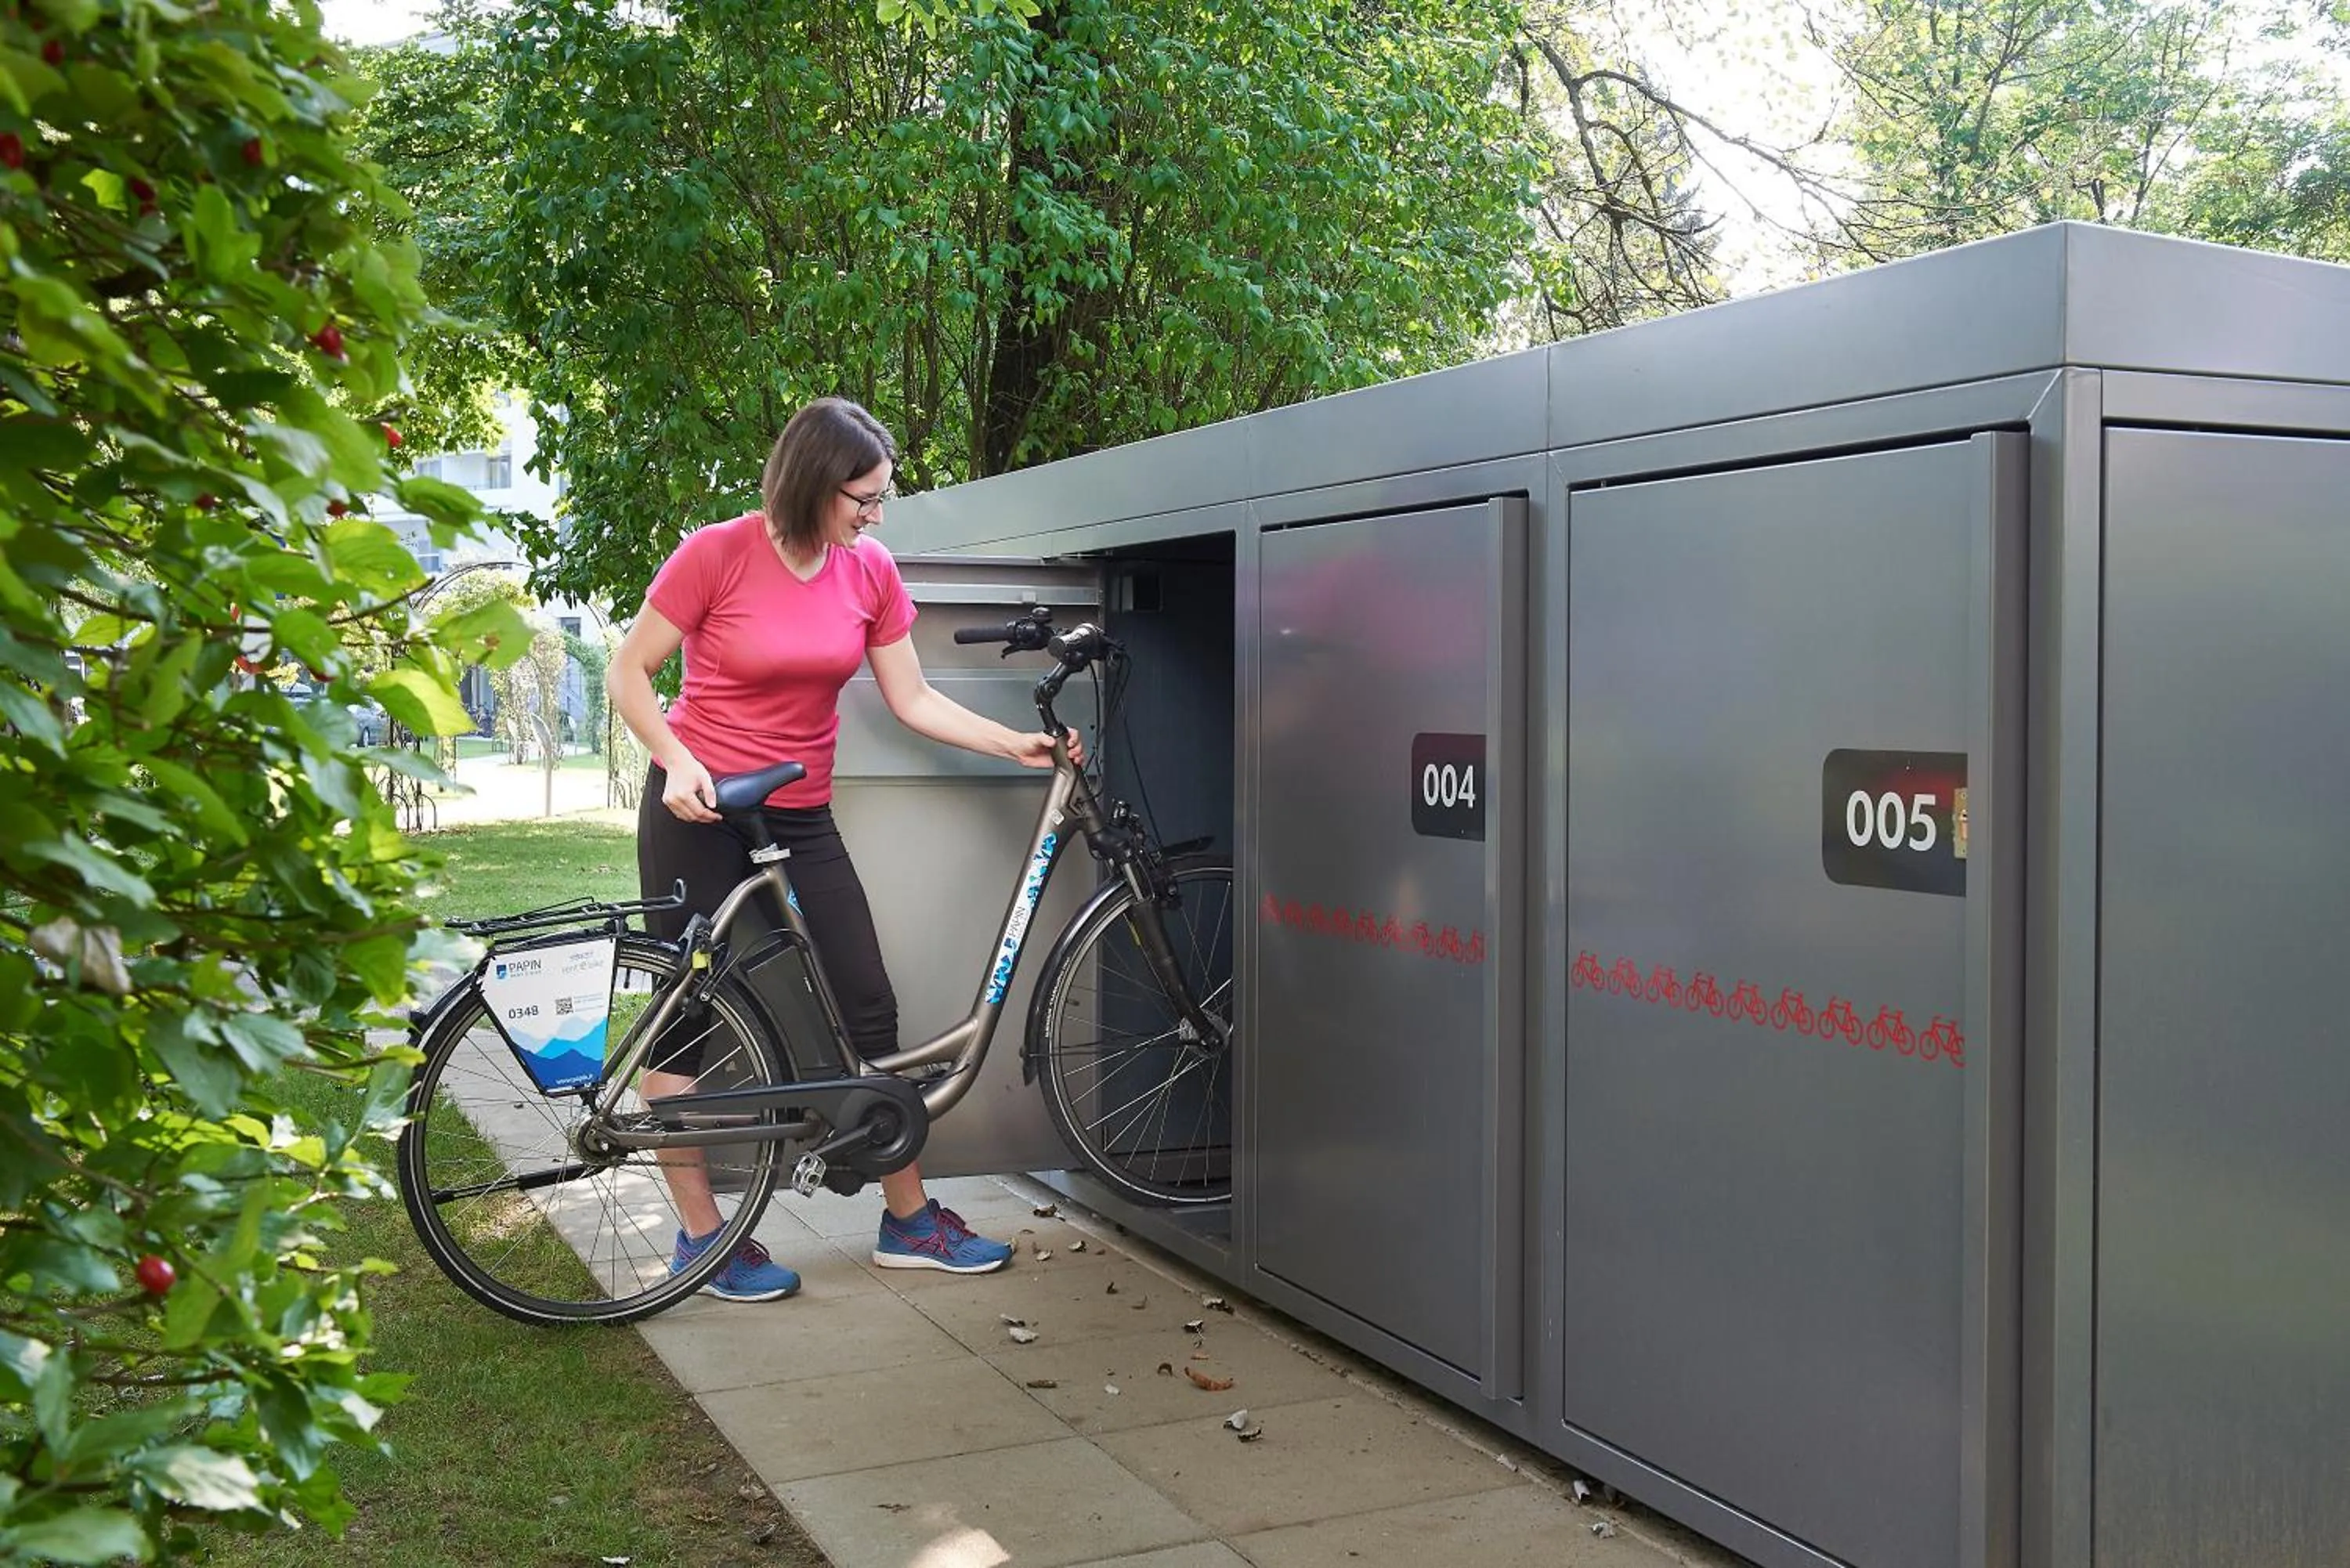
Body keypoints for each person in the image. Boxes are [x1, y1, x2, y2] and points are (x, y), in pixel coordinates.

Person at [607, 396, 1076, 1301]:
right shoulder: (718, 552)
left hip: (800, 811)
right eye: (863, 496)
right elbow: (632, 670)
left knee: (865, 998)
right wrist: (673, 762)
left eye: (881, 498)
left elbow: (914, 699)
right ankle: (704, 1240)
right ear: (815, 485)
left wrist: (1013, 742)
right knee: (689, 1013)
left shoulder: (868, 570)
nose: (875, 513)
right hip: (699, 809)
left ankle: (909, 1220)